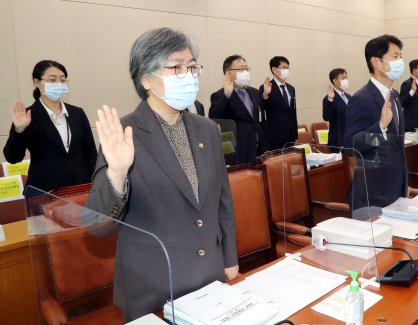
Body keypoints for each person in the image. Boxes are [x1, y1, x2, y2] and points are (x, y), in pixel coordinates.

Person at [86, 27, 238, 321]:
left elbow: (223, 202)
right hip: (152, 288)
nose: (189, 75)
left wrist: (229, 259)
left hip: (210, 279)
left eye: (193, 67)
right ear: (146, 79)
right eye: (176, 67)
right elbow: (96, 225)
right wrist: (117, 173)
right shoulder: (124, 133)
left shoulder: (207, 128)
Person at [3, 60, 97, 194]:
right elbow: (13, 158)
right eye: (52, 80)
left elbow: (91, 154)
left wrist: (96, 185)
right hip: (45, 191)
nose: (59, 84)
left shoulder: (77, 113)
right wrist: (19, 130)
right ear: (36, 83)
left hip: (81, 189)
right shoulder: (27, 116)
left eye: (63, 80)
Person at [344, 34, 407, 209]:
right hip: (372, 193)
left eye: (400, 56)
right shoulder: (361, 98)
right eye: (395, 57)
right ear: (376, 62)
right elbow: (351, 145)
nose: (400, 61)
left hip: (397, 188)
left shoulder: (394, 95)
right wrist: (380, 127)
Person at [209, 55, 269, 164]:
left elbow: (260, 118)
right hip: (239, 152)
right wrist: (227, 94)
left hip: (260, 149)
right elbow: (214, 116)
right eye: (241, 69)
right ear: (228, 73)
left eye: (246, 69)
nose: (245, 72)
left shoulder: (254, 92)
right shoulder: (219, 95)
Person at [259, 56, 297, 150]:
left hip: (290, 136)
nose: (287, 70)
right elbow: (262, 107)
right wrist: (265, 95)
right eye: (284, 67)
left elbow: (293, 112)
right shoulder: (266, 87)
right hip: (274, 136)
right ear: (274, 69)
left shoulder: (291, 88)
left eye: (288, 67)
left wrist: (295, 135)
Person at [322, 68, 351, 152]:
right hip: (337, 141)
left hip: (349, 138)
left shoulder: (349, 96)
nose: (346, 80)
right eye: (343, 78)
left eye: (346, 77)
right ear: (335, 81)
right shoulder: (329, 98)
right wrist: (330, 100)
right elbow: (326, 117)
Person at [400, 59, 418, 132]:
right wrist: (412, 91)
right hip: (411, 126)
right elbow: (401, 102)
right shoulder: (407, 84)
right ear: (414, 71)